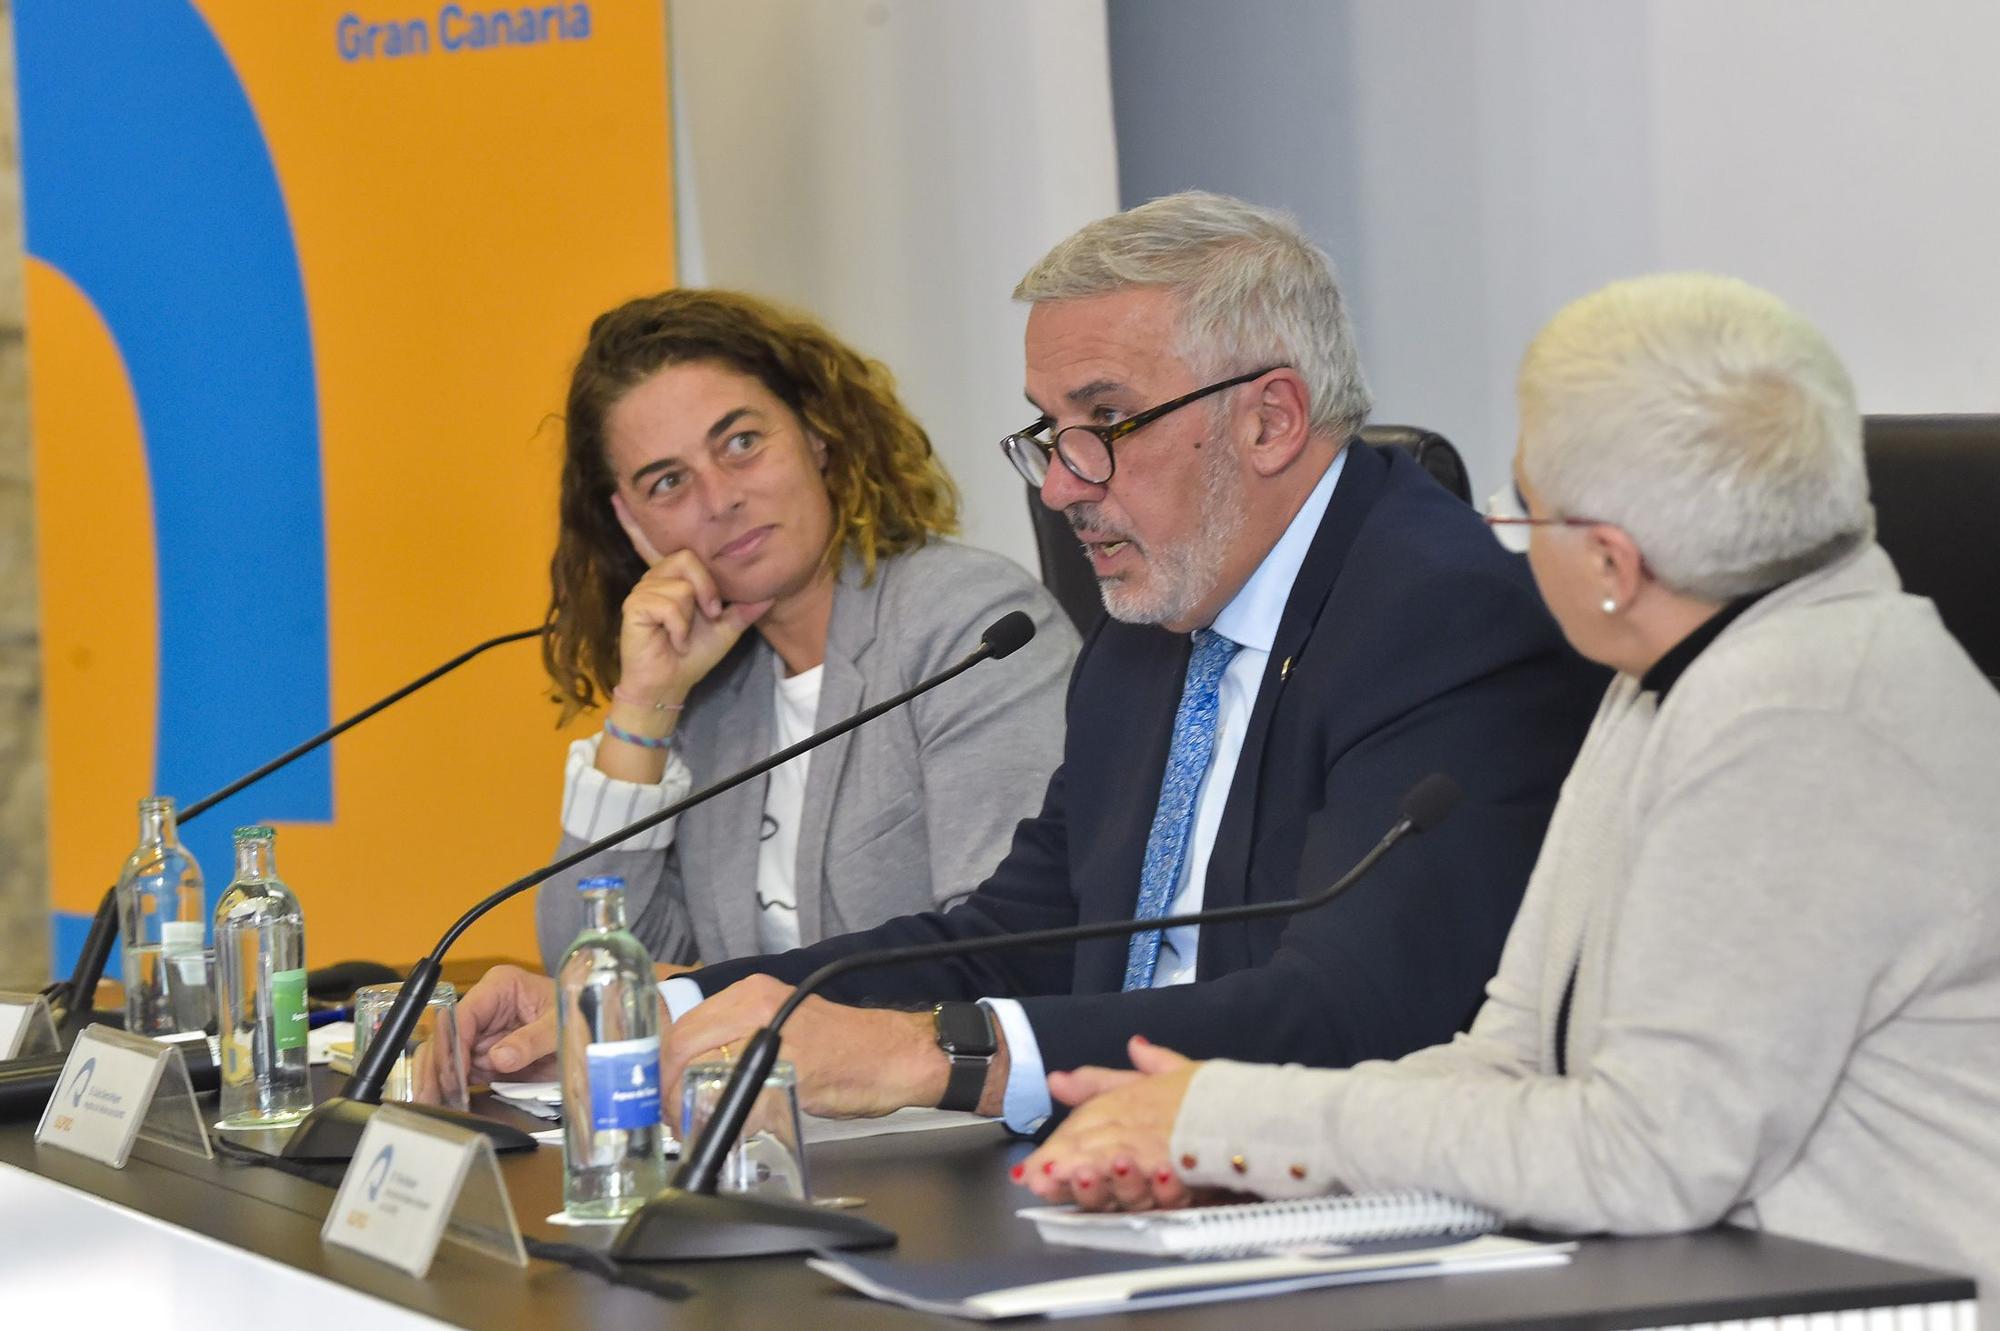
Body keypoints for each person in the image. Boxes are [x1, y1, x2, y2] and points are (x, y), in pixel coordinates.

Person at [462, 193, 1602, 1125]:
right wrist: (665, 1002)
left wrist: (928, 1058)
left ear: (1267, 419)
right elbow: (1008, 935)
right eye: (1047, 431)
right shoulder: (1148, 635)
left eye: (1101, 422)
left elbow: (1354, 1011)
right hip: (1102, 1180)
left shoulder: (1447, 617)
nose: (1058, 483)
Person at [1015, 273, 2000, 1306]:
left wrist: (1225, 1116)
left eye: (1522, 508)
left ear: (1612, 561)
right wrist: (1217, 1134)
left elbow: (1643, 1154)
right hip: (1703, 1277)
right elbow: (1510, 1054)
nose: (1500, 534)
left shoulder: (1801, 723)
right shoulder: (1671, 675)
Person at [530, 288, 1078, 979]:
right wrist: (644, 703)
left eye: (741, 442)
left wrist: (715, 996)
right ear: (630, 521)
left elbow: (1011, 952)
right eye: (668, 481)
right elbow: (592, 963)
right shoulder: (713, 697)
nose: (720, 498)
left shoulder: (964, 620)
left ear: (817, 434)